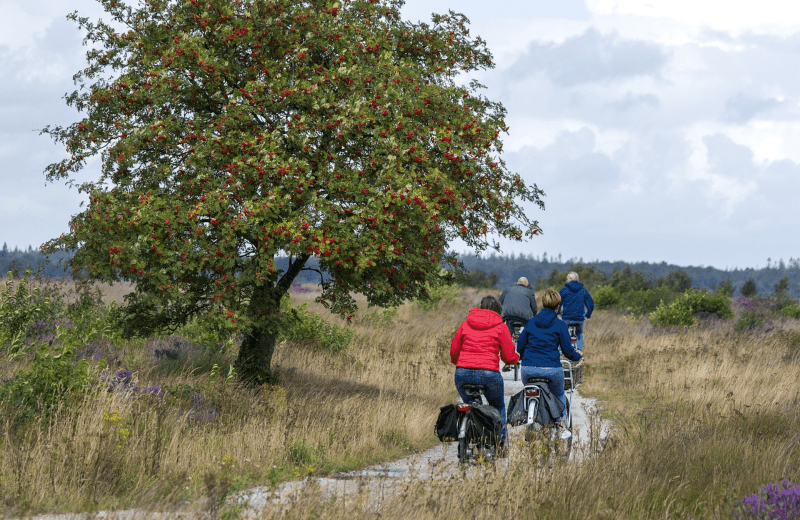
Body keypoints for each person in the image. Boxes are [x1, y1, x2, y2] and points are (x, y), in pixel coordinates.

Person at [450, 295, 520, 446]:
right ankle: (500, 442)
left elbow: (454, 349)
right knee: (498, 406)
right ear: (498, 310)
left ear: (480, 307)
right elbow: (508, 356)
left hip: (463, 372)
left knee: (468, 404)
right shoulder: (501, 327)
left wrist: (459, 363)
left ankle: (472, 431)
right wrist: (514, 360)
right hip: (488, 373)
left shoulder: (465, 324)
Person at [516, 289, 582, 424]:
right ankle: (562, 423)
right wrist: (577, 356)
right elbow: (568, 351)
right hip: (551, 370)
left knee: (529, 390)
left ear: (543, 303)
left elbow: (520, 346)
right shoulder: (560, 324)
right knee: (559, 394)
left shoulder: (531, 322)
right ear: (557, 306)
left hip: (528, 369)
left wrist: (525, 358)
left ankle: (529, 414)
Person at [558, 272, 594, 352]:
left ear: (570, 279)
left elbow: (558, 303)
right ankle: (580, 350)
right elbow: (590, 304)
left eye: (567, 279)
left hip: (566, 318)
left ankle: (560, 352)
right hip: (579, 318)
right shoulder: (583, 290)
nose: (566, 280)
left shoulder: (564, 290)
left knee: (563, 334)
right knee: (579, 334)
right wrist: (588, 314)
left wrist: (557, 313)